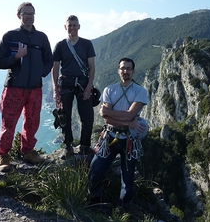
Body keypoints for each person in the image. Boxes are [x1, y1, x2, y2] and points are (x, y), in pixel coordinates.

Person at [0, 2, 53, 172]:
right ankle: (4, 155)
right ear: (18, 15)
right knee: (9, 122)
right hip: (14, 87)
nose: (29, 16)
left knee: (32, 121)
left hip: (35, 87)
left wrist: (40, 72)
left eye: (32, 13)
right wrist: (15, 58)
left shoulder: (41, 37)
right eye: (25, 13)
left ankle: (28, 151)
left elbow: (49, 60)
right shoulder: (10, 36)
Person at [88, 57, 148, 208]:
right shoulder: (109, 90)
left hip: (129, 141)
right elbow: (105, 117)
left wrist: (111, 113)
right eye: (123, 68)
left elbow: (127, 113)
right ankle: (95, 202)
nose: (125, 71)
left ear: (133, 71)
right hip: (110, 136)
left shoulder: (140, 91)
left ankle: (124, 209)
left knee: (127, 180)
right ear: (118, 70)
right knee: (95, 169)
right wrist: (129, 123)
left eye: (128, 68)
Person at [52, 15, 96, 159]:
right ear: (65, 27)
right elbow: (55, 68)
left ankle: (85, 146)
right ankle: (68, 146)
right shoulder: (60, 45)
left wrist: (89, 87)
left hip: (83, 83)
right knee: (65, 116)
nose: (72, 27)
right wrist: (55, 90)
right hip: (66, 83)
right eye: (69, 25)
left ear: (79, 26)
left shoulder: (87, 44)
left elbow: (92, 67)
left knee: (87, 116)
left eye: (74, 25)